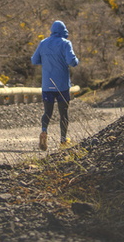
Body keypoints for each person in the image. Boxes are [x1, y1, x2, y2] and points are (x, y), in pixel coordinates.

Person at [31, 20, 79, 151]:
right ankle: (63, 140)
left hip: (47, 85)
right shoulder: (65, 43)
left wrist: (46, 62)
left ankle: (44, 130)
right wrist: (75, 60)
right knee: (63, 113)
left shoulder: (43, 43)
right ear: (64, 32)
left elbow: (34, 60)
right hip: (62, 85)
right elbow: (72, 62)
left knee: (47, 112)